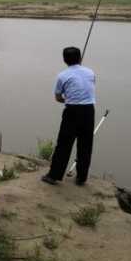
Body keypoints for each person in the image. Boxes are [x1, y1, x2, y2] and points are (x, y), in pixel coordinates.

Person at [42, 46, 95, 186]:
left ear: (64, 60)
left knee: (64, 144)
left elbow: (58, 97)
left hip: (72, 111)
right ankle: (82, 178)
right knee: (86, 145)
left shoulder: (63, 75)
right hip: (89, 111)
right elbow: (89, 88)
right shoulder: (90, 72)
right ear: (80, 58)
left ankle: (54, 176)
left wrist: (69, 99)